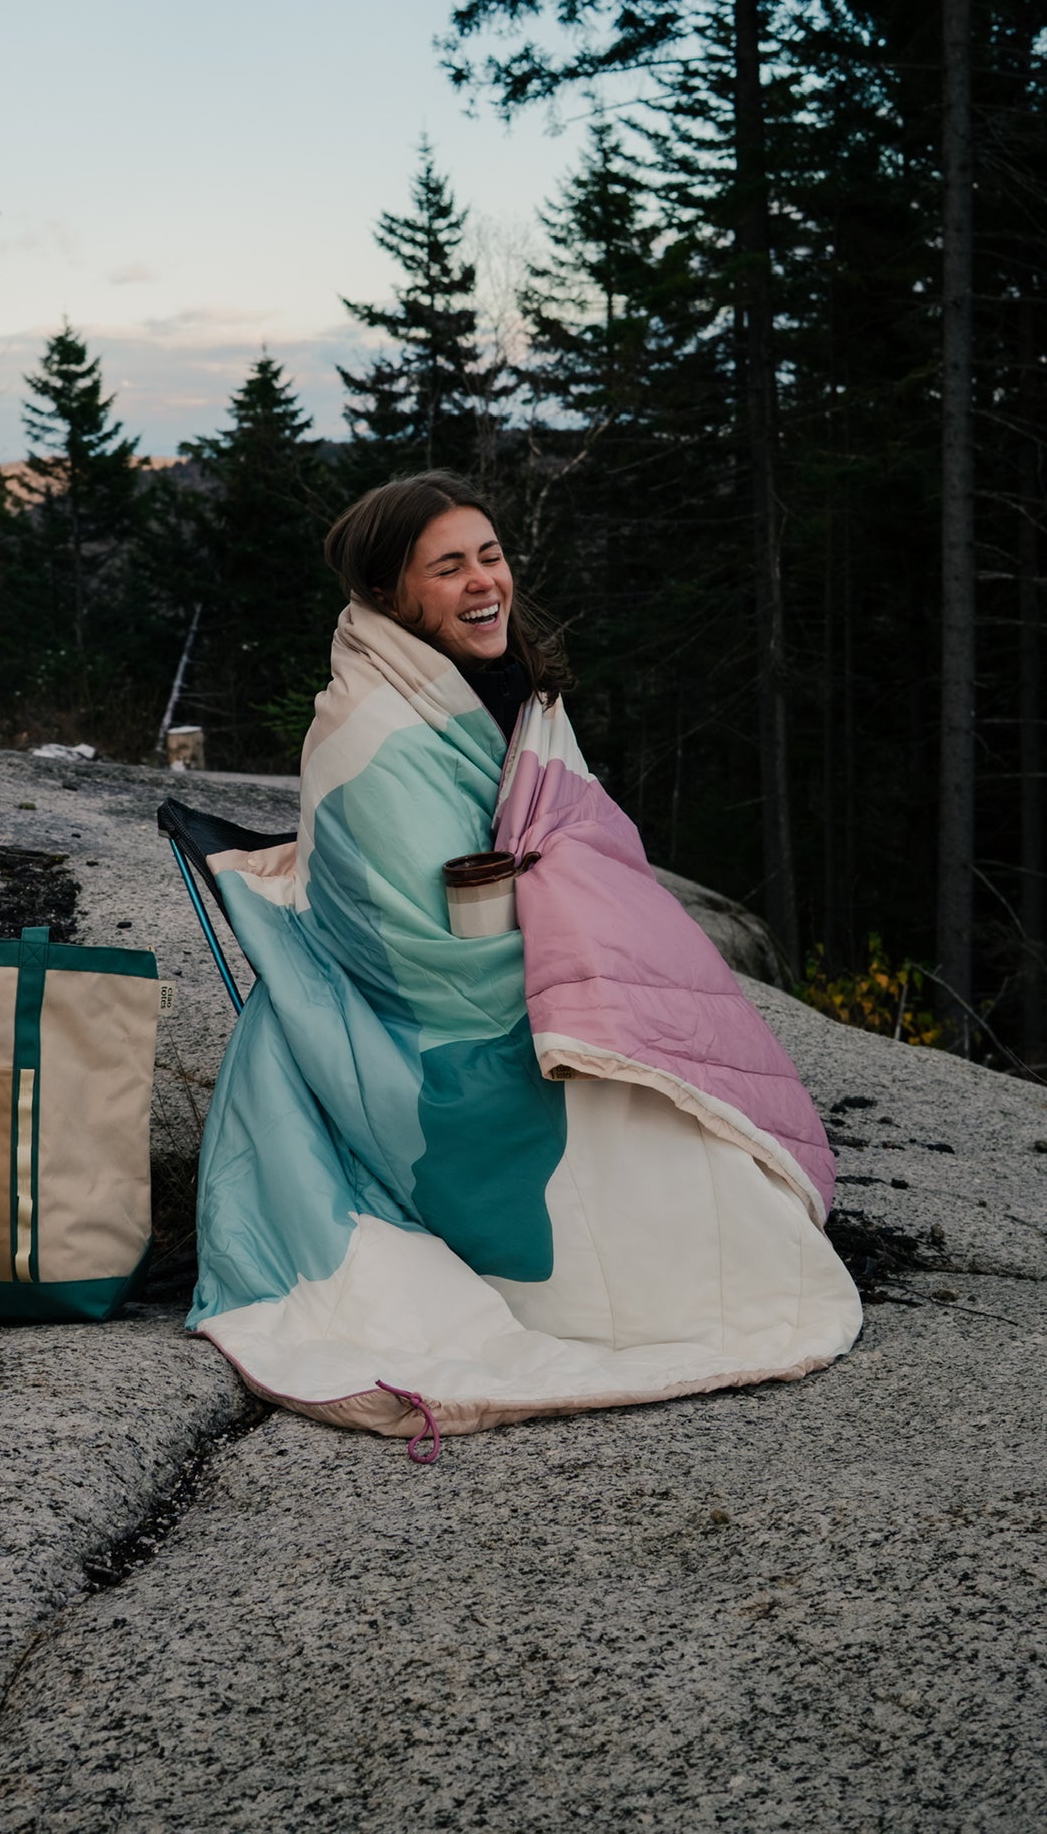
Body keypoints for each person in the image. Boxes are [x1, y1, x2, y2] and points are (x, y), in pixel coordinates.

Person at [187, 470, 860, 1453]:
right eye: (447, 566)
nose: (480, 581)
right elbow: (409, 943)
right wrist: (565, 967)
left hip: (524, 972)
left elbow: (570, 831)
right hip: (425, 1027)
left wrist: (579, 938)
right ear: (388, 595)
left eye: (489, 555)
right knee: (627, 1121)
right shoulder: (365, 732)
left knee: (664, 1111)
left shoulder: (506, 691)